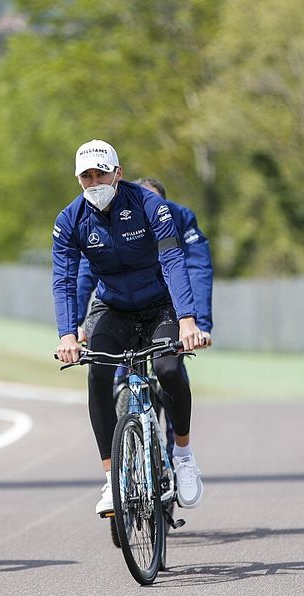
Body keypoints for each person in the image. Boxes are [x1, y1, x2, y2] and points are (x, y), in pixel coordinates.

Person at [53, 139, 210, 517]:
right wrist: (67, 334)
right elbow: (64, 278)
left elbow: (174, 259)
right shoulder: (68, 220)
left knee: (169, 368)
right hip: (114, 308)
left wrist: (188, 320)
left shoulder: (149, 205)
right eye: (86, 176)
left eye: (101, 174)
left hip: (160, 306)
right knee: (97, 376)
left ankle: (184, 458)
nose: (94, 182)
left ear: (117, 173)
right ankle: (111, 480)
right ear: (78, 179)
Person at [75, 176, 214, 455]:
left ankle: (179, 454)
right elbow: (88, 270)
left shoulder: (180, 218)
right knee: (110, 365)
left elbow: (196, 269)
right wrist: (77, 322)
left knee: (170, 368)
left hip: (167, 303)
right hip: (123, 305)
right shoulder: (108, 218)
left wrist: (198, 322)